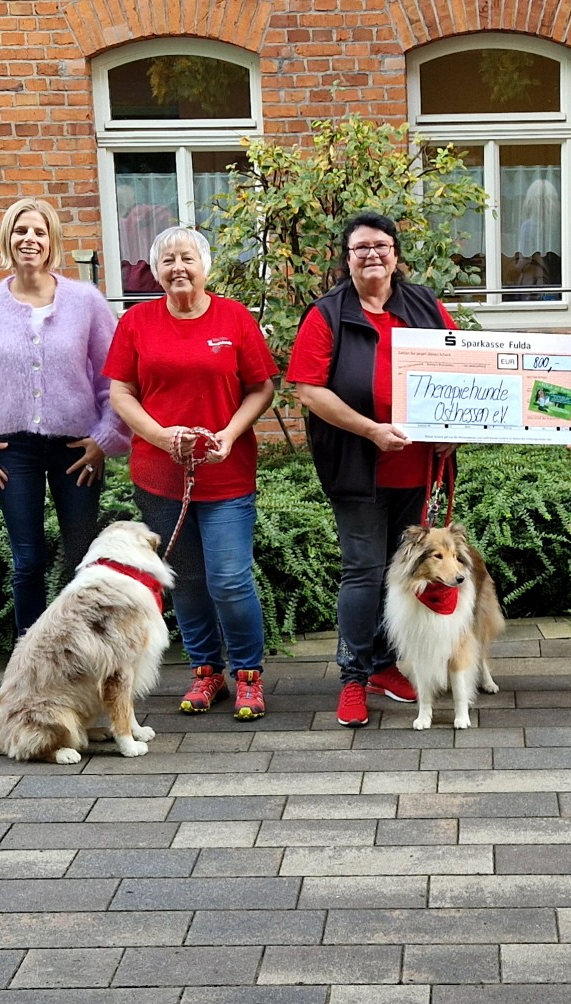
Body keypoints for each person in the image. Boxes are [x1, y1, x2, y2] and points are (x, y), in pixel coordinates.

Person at [287, 212, 455, 728]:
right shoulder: (328, 314)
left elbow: (466, 368)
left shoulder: (424, 305)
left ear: (396, 254)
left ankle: (385, 665)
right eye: (361, 248)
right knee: (363, 573)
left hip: (417, 468)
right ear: (347, 258)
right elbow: (309, 390)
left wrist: (453, 429)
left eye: (381, 246)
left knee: (401, 572)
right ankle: (353, 678)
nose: (373, 255)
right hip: (358, 467)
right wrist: (371, 429)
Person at [104, 226, 276, 721]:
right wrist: (161, 437)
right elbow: (121, 394)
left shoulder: (234, 317)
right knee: (188, 580)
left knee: (228, 579)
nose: (178, 268)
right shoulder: (137, 321)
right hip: (160, 477)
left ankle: (247, 674)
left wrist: (228, 432)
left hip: (226, 473)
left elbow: (261, 388)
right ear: (156, 272)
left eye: (187, 258)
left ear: (206, 267)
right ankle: (206, 672)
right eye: (167, 260)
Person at [0, 197, 127, 637]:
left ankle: (85, 655)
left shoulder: (86, 301)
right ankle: (29, 662)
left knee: (82, 557)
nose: (29, 240)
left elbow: (113, 379)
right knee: (27, 560)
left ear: (52, 242)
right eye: (20, 231)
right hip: (13, 450)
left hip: (77, 448)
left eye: (39, 232)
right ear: (7, 240)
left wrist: (105, 439)